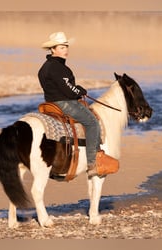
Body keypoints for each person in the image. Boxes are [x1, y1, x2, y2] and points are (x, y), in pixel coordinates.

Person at [38, 31, 101, 178]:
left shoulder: (45, 67)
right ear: (53, 49)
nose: (65, 50)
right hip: (63, 103)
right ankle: (92, 163)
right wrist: (80, 91)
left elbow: (60, 86)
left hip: (50, 103)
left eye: (66, 47)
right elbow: (68, 89)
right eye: (61, 47)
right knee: (92, 122)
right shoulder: (58, 67)